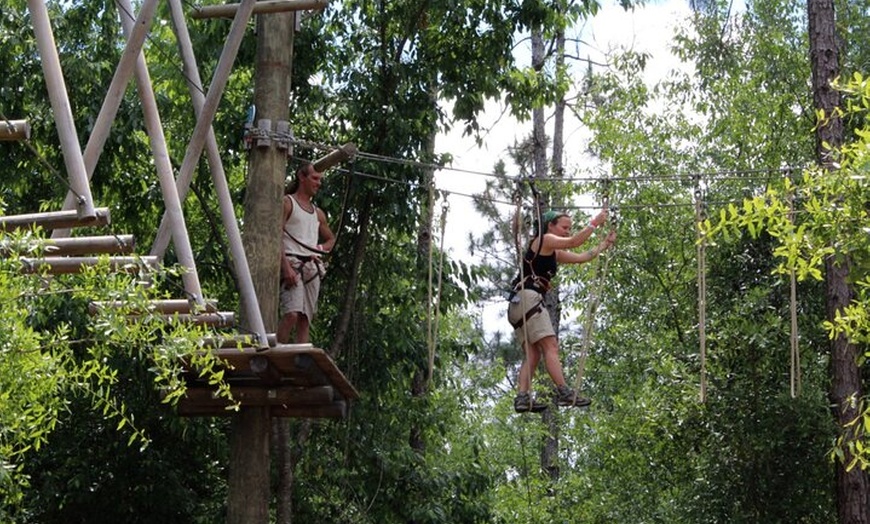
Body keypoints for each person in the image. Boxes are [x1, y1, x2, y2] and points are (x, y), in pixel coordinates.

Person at [509, 208, 616, 413]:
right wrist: (594, 223)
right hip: (528, 299)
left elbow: (582, 256)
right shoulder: (544, 239)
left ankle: (522, 397)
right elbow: (575, 242)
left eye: (569, 228)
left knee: (533, 355)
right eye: (564, 227)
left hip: (518, 304)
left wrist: (605, 245)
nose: (567, 231)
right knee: (551, 346)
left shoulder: (552, 251)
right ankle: (564, 391)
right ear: (551, 226)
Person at [277, 162, 335, 344]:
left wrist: (317, 249)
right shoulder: (288, 203)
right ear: (302, 177)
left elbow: (331, 240)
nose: (319, 183)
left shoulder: (318, 213)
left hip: (311, 267)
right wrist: (286, 268)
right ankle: (278, 352)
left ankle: (299, 361)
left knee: (304, 320)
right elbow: (275, 235)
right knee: (292, 314)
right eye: (315, 178)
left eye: (320, 180)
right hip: (292, 262)